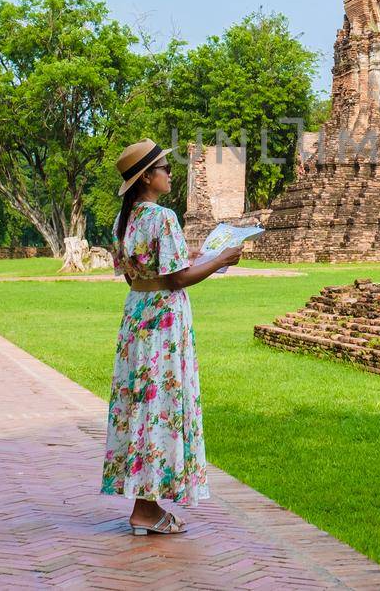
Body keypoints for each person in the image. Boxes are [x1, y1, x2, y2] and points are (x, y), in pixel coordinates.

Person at [100, 139, 242, 535]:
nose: (169, 174)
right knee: (160, 403)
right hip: (164, 320)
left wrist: (197, 256)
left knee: (141, 407)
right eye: (163, 168)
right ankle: (145, 508)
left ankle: (145, 501)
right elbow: (177, 278)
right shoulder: (162, 218)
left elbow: (135, 275)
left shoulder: (122, 221)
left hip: (137, 315)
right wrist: (220, 260)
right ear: (147, 176)